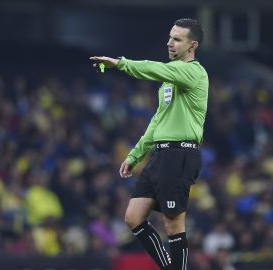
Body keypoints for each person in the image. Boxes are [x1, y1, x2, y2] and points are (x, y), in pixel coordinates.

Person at [90, 18, 208, 270]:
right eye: (169, 37)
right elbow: (158, 121)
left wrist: (120, 63)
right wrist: (135, 155)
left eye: (177, 39)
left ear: (192, 45)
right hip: (160, 154)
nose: (170, 43)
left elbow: (154, 69)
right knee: (133, 216)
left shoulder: (193, 72)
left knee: (173, 223)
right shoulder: (170, 81)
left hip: (180, 153)